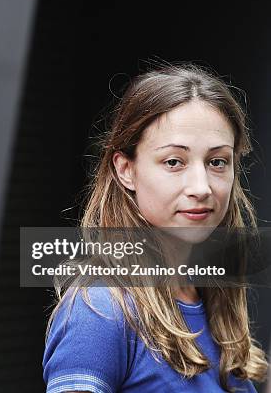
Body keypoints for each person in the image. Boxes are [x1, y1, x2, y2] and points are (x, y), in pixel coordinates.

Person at [42, 63, 269, 392]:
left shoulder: (214, 302)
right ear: (126, 170)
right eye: (174, 162)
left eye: (217, 161)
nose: (201, 186)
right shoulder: (101, 309)